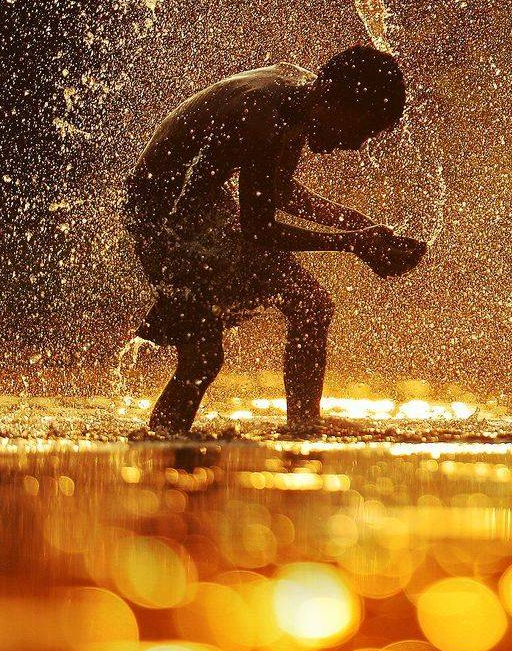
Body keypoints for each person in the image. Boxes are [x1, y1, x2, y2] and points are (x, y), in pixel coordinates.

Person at [123, 45, 427, 434]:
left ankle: (303, 425)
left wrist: (355, 223)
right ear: (333, 96)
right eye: (360, 130)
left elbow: (276, 187)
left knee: (311, 305)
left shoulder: (298, 94)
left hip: (199, 207)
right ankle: (162, 445)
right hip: (159, 216)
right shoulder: (264, 115)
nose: (354, 146)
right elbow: (259, 229)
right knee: (202, 354)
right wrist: (353, 242)